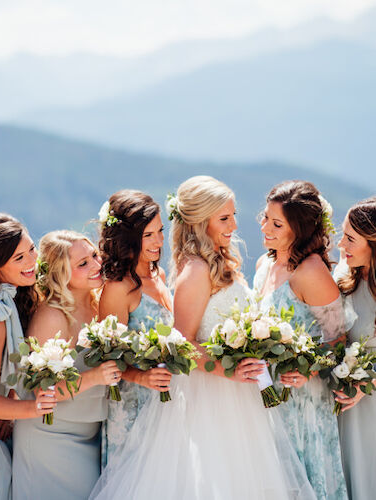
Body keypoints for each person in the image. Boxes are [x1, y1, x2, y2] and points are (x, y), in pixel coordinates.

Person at [91, 176, 315, 499]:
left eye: (234, 214)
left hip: (238, 399)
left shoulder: (216, 261)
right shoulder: (195, 270)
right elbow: (183, 344)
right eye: (224, 218)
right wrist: (230, 370)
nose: (235, 225)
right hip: (209, 396)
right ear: (199, 222)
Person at [253, 180, 352, 500]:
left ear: (300, 229)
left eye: (277, 223)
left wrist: (308, 369)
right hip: (263, 394)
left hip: (302, 400)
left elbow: (339, 340)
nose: (265, 227)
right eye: (265, 217)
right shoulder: (264, 264)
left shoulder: (311, 271)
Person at [12, 230, 121, 500]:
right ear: (61, 275)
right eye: (83, 264)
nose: (96, 265)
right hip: (50, 437)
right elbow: (42, 391)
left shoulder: (100, 304)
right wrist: (95, 377)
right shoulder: (52, 316)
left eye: (94, 256)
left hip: (91, 435)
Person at [98, 190, 173, 467]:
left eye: (160, 231)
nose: (159, 242)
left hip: (168, 399)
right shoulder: (119, 288)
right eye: (149, 235)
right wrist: (141, 378)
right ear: (130, 238)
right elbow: (107, 356)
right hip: (133, 406)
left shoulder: (160, 275)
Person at [0, 213, 56, 500]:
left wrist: (13, 397)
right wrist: (34, 409)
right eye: (19, 258)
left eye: (31, 250)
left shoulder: (17, 296)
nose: (32, 261)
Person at [334, 197, 376, 500]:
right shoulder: (344, 280)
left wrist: (369, 382)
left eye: (350, 238)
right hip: (347, 407)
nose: (340, 245)